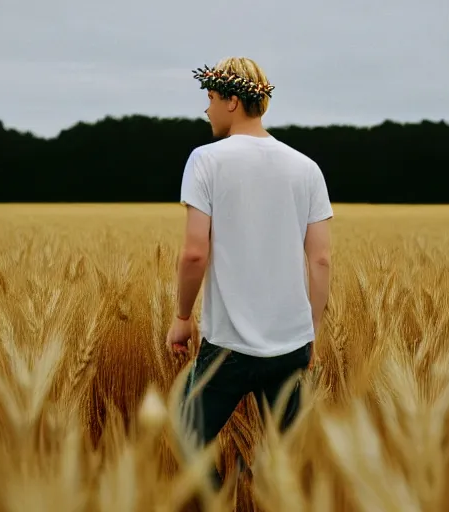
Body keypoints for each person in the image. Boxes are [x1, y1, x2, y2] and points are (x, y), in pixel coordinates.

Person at [165, 56, 333, 489]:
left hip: (228, 350)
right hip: (292, 344)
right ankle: (259, 494)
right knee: (289, 455)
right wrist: (312, 330)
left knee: (186, 433)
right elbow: (320, 261)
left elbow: (194, 254)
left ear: (233, 102)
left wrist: (183, 318)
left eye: (211, 99)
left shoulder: (205, 160)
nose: (206, 110)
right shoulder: (307, 167)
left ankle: (223, 498)